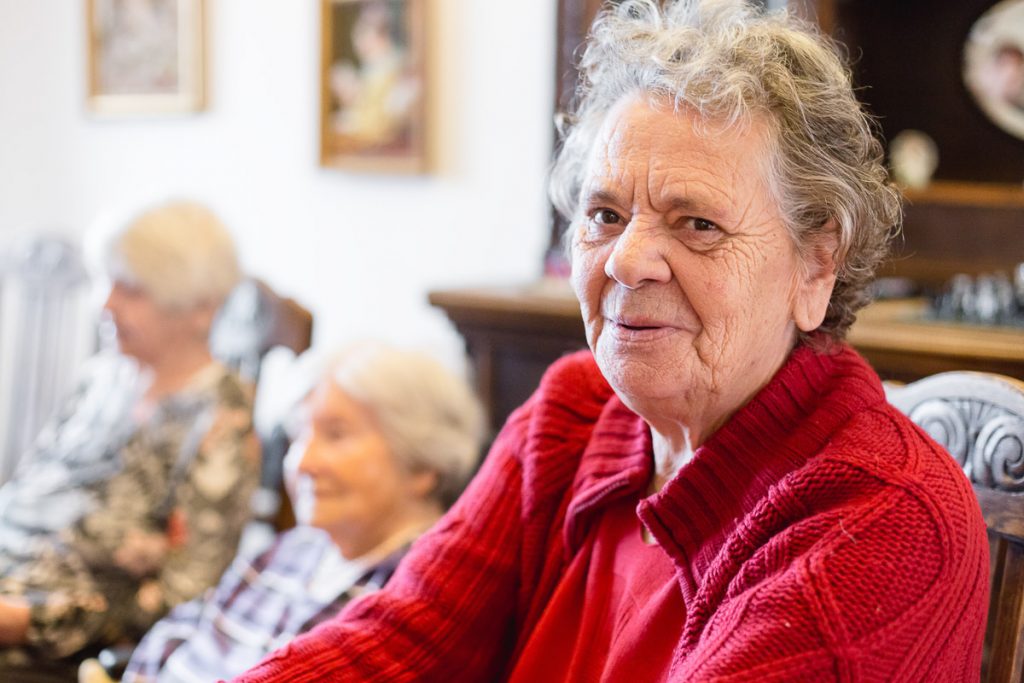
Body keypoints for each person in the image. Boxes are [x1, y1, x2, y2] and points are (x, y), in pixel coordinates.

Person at [235, 1, 989, 681]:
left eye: (698, 223)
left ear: (816, 264)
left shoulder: (882, 523)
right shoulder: (574, 414)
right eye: (605, 214)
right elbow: (400, 639)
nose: (628, 260)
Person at [78, 343, 484, 683]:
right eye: (298, 434)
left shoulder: (416, 599)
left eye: (336, 435)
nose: (302, 461)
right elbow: (179, 632)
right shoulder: (291, 550)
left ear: (423, 463)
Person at [0, 200, 259, 680]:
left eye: (133, 290)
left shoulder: (219, 424)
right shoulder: (103, 377)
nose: (106, 304)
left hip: (48, 648)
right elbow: (25, 494)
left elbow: (183, 600)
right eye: (108, 282)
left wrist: (25, 620)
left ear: (200, 309)